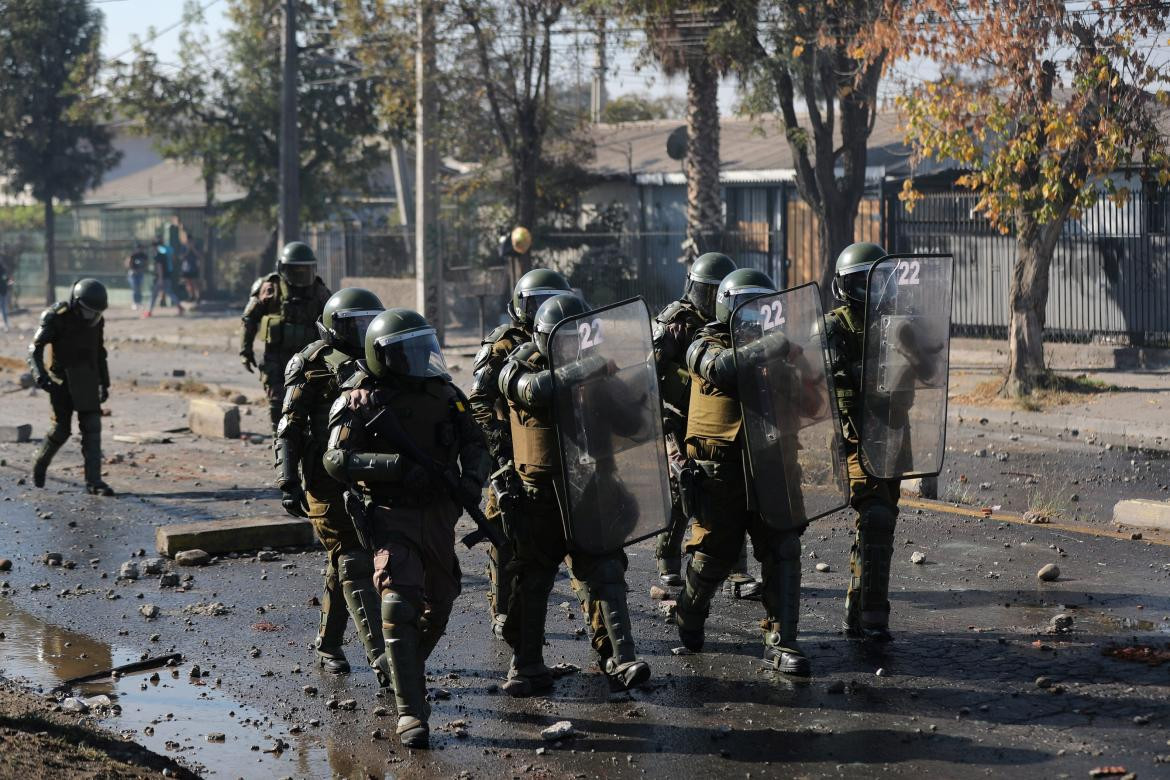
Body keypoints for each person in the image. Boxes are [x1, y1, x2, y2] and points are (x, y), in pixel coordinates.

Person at [323, 308, 490, 749]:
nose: (419, 358)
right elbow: (336, 459)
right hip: (389, 513)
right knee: (398, 601)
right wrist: (393, 468)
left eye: (423, 348)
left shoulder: (447, 395)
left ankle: (402, 673)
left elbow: (476, 443)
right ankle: (410, 711)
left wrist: (472, 479)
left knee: (441, 602)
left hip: (439, 515)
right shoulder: (359, 398)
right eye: (407, 352)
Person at [496, 293, 652, 697]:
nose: (575, 348)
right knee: (534, 579)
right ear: (545, 338)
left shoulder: (595, 371)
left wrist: (634, 388)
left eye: (580, 339)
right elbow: (533, 391)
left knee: (606, 569)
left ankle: (622, 657)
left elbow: (629, 420)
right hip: (540, 496)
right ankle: (526, 664)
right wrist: (588, 368)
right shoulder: (520, 365)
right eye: (565, 341)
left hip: (592, 489)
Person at [673, 268, 810, 676]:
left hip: (772, 466)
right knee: (715, 553)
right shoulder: (704, 344)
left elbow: (807, 400)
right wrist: (772, 345)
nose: (756, 316)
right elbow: (721, 369)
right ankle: (688, 614)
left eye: (763, 307)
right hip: (721, 472)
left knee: (782, 548)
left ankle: (782, 641)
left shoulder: (779, 350)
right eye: (748, 307)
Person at [275, 287, 391, 686]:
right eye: (352, 325)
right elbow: (288, 427)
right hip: (324, 480)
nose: (361, 332)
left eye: (366, 323)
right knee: (353, 559)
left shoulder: (381, 356)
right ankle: (383, 660)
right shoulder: (310, 362)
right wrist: (287, 481)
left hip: (369, 476)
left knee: (342, 560)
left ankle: (327, 643)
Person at [468, 267, 572, 640]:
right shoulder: (502, 342)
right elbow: (478, 399)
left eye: (550, 300)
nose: (544, 308)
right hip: (512, 451)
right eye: (537, 302)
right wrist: (499, 444)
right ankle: (503, 609)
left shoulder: (575, 333)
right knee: (503, 531)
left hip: (566, 450)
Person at [825, 242, 903, 642]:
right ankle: (874, 615)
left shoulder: (895, 323)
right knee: (875, 516)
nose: (870, 291)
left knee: (878, 525)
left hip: (893, 436)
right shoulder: (834, 327)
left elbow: (926, 370)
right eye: (862, 282)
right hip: (853, 439)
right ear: (844, 286)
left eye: (877, 281)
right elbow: (820, 375)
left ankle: (855, 611)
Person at [652, 251, 736, 587]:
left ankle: (734, 566)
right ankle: (667, 556)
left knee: (731, 487)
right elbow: (648, 370)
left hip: (715, 417)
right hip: (677, 418)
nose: (712, 299)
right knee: (682, 484)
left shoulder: (733, 320)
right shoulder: (673, 321)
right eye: (707, 291)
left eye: (719, 293)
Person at [26, 279, 115, 496]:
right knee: (61, 430)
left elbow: (99, 352)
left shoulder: (96, 320)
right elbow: (34, 349)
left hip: (87, 378)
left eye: (97, 313)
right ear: (76, 303)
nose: (92, 318)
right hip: (61, 381)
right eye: (88, 312)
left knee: (92, 430)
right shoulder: (56, 317)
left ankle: (94, 482)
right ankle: (40, 463)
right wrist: (41, 376)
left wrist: (105, 382)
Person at [240, 241, 332, 432]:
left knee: (311, 403)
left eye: (304, 270)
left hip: (309, 358)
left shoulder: (319, 291)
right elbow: (250, 319)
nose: (300, 275)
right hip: (277, 357)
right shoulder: (270, 288)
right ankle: (280, 439)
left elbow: (332, 323)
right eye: (295, 270)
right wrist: (245, 350)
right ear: (283, 269)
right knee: (277, 402)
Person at [146, 238, 182, 317]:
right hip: (166, 276)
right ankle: (179, 306)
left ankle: (149, 311)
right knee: (169, 292)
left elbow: (160, 267)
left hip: (161, 278)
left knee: (154, 295)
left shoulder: (158, 255)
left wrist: (160, 279)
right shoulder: (163, 254)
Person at [125, 243, 148, 310]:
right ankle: (135, 303)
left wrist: (142, 269)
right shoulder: (133, 255)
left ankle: (139, 303)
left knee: (139, 288)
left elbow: (146, 264)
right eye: (138, 248)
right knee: (135, 288)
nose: (139, 249)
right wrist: (133, 270)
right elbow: (128, 264)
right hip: (133, 274)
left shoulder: (144, 255)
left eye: (140, 248)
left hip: (140, 274)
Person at [0, 255, 11, 331]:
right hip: (3, 291)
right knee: (3, 308)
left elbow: (7, 280)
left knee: (3, 308)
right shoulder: (4, 270)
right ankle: (6, 324)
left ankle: (6, 324)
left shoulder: (3, 270)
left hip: (3, 291)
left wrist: (9, 283)